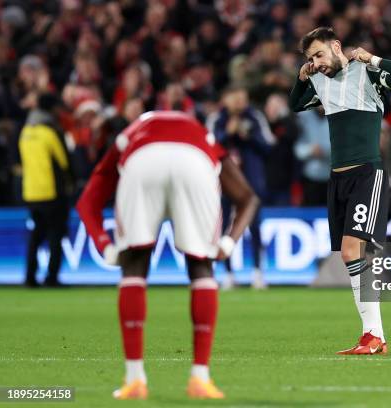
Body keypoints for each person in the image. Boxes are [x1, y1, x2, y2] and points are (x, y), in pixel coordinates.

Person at [76, 111, 258, 399]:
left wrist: (106, 246)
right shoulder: (202, 134)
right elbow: (248, 197)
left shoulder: (128, 137)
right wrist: (227, 244)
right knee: (201, 265)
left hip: (141, 163)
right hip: (195, 162)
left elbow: (87, 202)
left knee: (134, 265)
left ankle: (134, 380)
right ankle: (200, 379)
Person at [289, 27, 391, 354]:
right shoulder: (320, 81)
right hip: (338, 179)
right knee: (355, 255)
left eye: (318, 55)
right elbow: (295, 104)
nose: (315, 63)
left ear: (335, 46)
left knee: (352, 252)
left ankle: (372, 335)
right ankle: (375, 337)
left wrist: (372, 57)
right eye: (309, 59)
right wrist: (302, 77)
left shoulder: (367, 74)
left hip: (366, 174)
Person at [206, 85, 274, 289]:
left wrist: (248, 136)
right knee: (225, 226)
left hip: (251, 183)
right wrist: (227, 134)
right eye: (234, 98)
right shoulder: (217, 119)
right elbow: (209, 146)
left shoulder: (255, 118)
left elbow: (269, 146)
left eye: (241, 98)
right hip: (225, 182)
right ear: (225, 100)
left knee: (254, 227)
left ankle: (258, 272)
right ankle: (227, 274)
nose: (238, 102)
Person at [19, 93, 72, 287]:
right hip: (51, 192)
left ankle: (29, 277)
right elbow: (64, 162)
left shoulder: (25, 132)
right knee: (55, 235)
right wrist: (71, 185)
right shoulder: (50, 132)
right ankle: (52, 277)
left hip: (31, 192)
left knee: (36, 235)